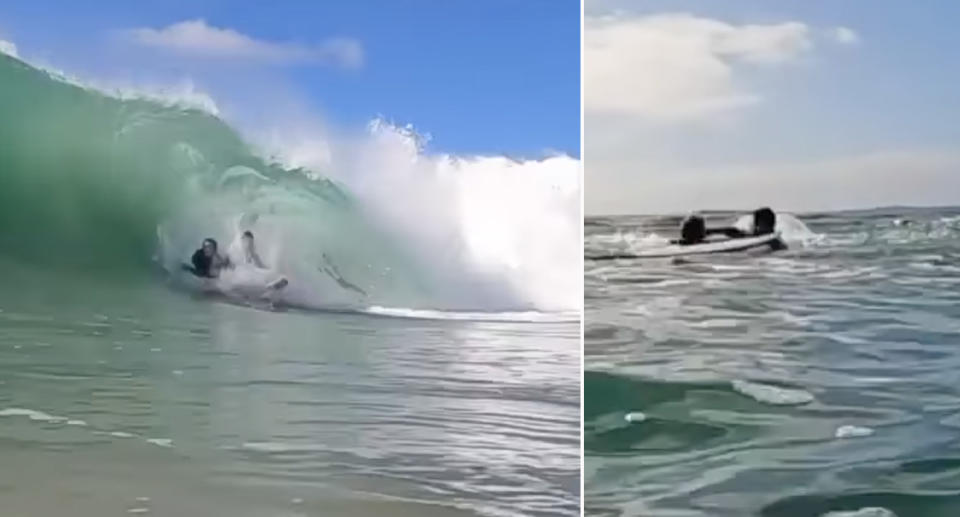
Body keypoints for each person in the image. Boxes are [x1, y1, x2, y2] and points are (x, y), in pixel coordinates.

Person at [672, 207, 786, 250]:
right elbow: (730, 231)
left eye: (756, 222)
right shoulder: (751, 236)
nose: (754, 225)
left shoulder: (774, 242)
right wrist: (707, 232)